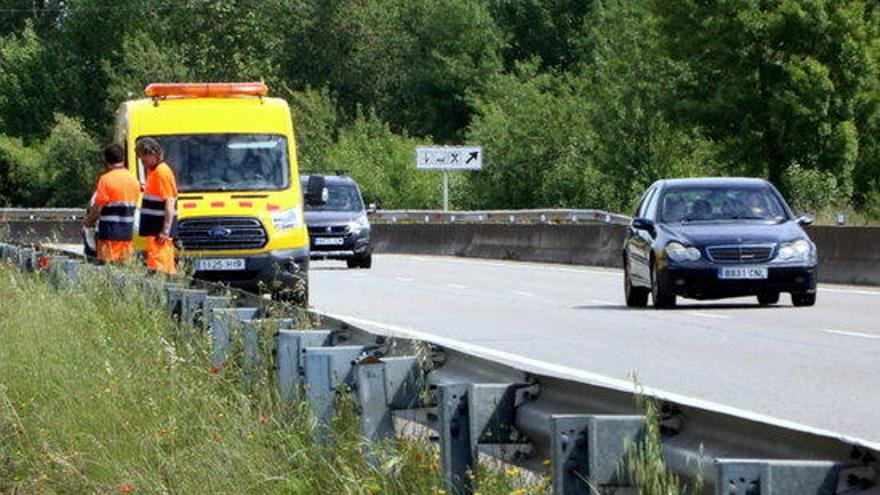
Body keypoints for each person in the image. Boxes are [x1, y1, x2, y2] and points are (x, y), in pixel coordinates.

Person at [83, 143, 140, 263]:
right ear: (123, 159)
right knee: (124, 273)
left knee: (108, 271)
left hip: (109, 236)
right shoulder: (134, 180)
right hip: (127, 236)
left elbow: (97, 209)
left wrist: (88, 222)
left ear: (106, 160)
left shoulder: (106, 179)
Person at [136, 138, 178, 275]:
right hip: (154, 230)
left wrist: (165, 231)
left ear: (153, 154)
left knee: (160, 263)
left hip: (159, 231)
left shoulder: (162, 172)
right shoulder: (154, 171)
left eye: (144, 158)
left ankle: (163, 288)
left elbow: (169, 203)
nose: (143, 162)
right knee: (159, 261)